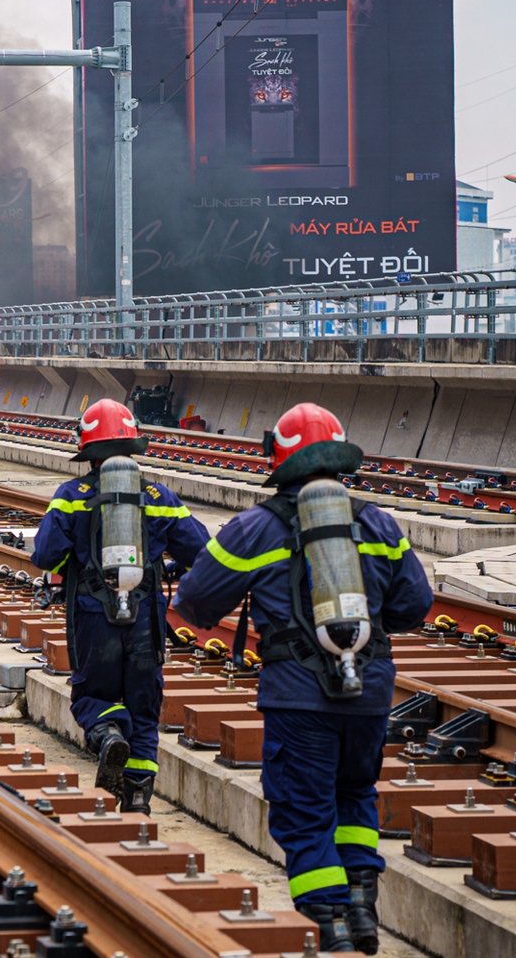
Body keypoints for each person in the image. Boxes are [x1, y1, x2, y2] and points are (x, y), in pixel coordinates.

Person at [172, 403, 433, 954]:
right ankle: (362, 903)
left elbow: (195, 603)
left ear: (279, 458)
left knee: (304, 805)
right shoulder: (378, 523)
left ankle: (331, 928)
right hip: (371, 693)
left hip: (298, 697)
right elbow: (414, 606)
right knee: (355, 792)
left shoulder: (255, 528)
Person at [29, 398, 207, 815]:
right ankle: (138, 798)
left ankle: (108, 734)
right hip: (146, 617)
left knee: (91, 694)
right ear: (132, 445)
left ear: (87, 448)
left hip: (93, 616)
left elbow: (45, 554)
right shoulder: (159, 495)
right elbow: (201, 549)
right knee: (144, 707)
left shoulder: (72, 495)